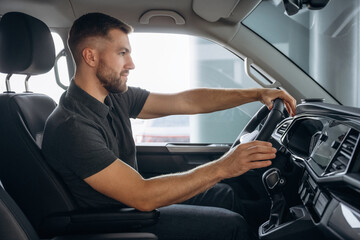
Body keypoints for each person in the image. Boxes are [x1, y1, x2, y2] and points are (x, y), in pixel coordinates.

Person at [42, 12, 296, 240]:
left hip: (130, 205)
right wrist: (225, 165)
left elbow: (186, 101)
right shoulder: (71, 125)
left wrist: (257, 93)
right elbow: (143, 196)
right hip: (118, 220)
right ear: (90, 56)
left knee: (225, 195)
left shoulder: (115, 96)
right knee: (233, 226)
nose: (131, 64)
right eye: (122, 53)